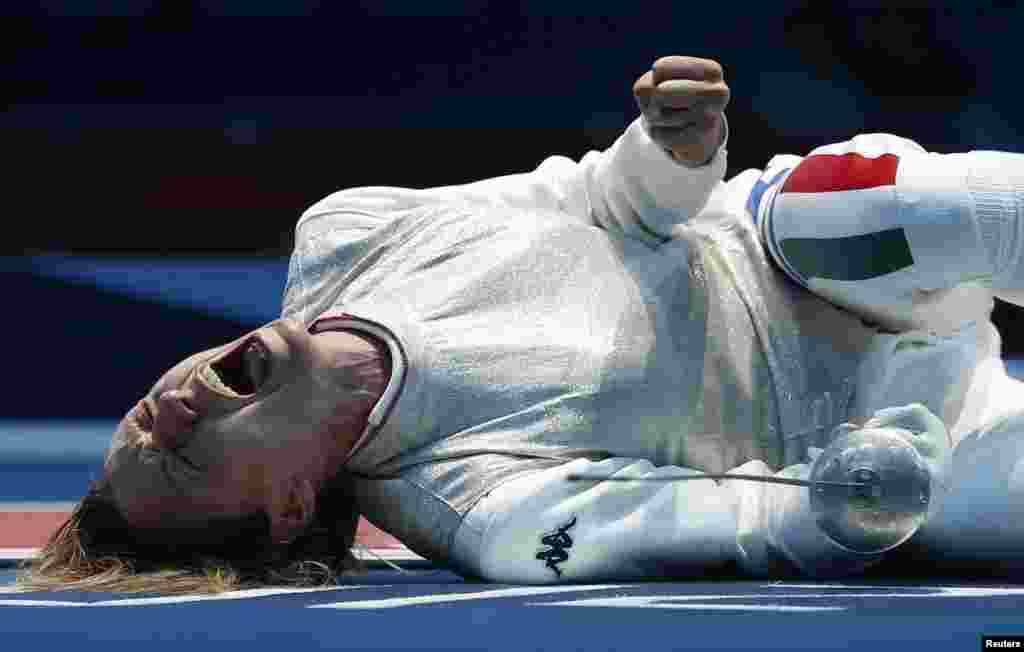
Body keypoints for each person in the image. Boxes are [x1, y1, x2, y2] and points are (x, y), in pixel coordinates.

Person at [19, 56, 1024, 594]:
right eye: (184, 459)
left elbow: (603, 199)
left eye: (142, 423)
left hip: (809, 261)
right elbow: (749, 521)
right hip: (910, 437)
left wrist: (668, 154)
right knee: (965, 523)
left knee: (848, 207)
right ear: (289, 511)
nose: (171, 410)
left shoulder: (347, 233)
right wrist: (851, 506)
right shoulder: (482, 509)